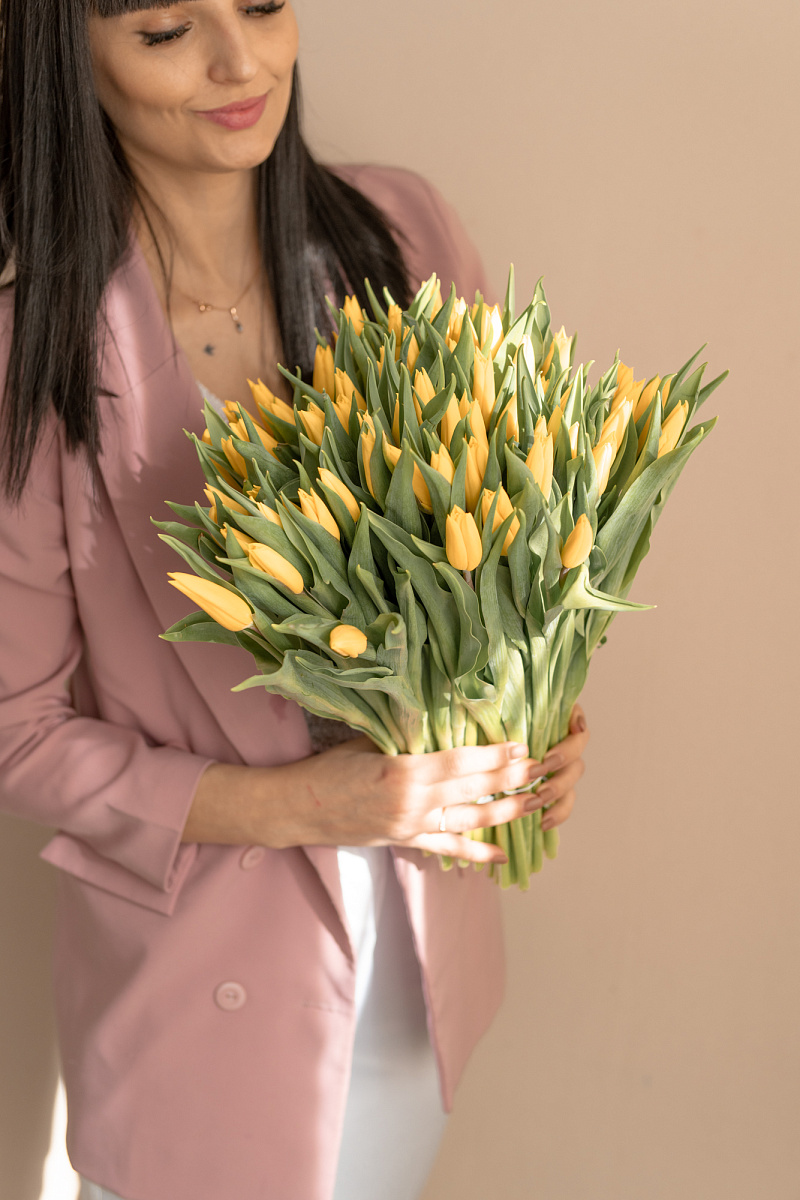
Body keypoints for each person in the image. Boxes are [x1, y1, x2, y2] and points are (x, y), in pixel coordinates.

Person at [0, 2, 590, 1199]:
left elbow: (504, 541)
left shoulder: (398, 236)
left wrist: (537, 711)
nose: (242, 61)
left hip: (419, 971)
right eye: (167, 30)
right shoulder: (34, 352)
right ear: (67, 54)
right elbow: (17, 731)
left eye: (264, 3)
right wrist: (303, 805)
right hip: (197, 1004)